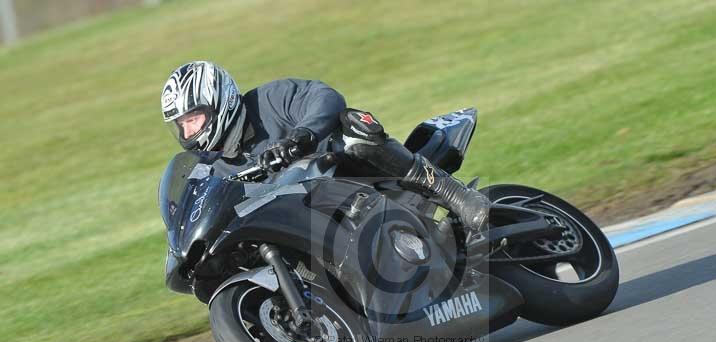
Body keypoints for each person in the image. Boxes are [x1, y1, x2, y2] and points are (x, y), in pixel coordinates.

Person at [160, 60, 490, 230]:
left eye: (194, 117)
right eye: (183, 124)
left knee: (353, 126)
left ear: (220, 100)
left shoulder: (268, 100)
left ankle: (453, 193)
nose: (190, 129)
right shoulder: (212, 166)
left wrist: (301, 136)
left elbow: (325, 97)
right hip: (311, 219)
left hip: (350, 175)